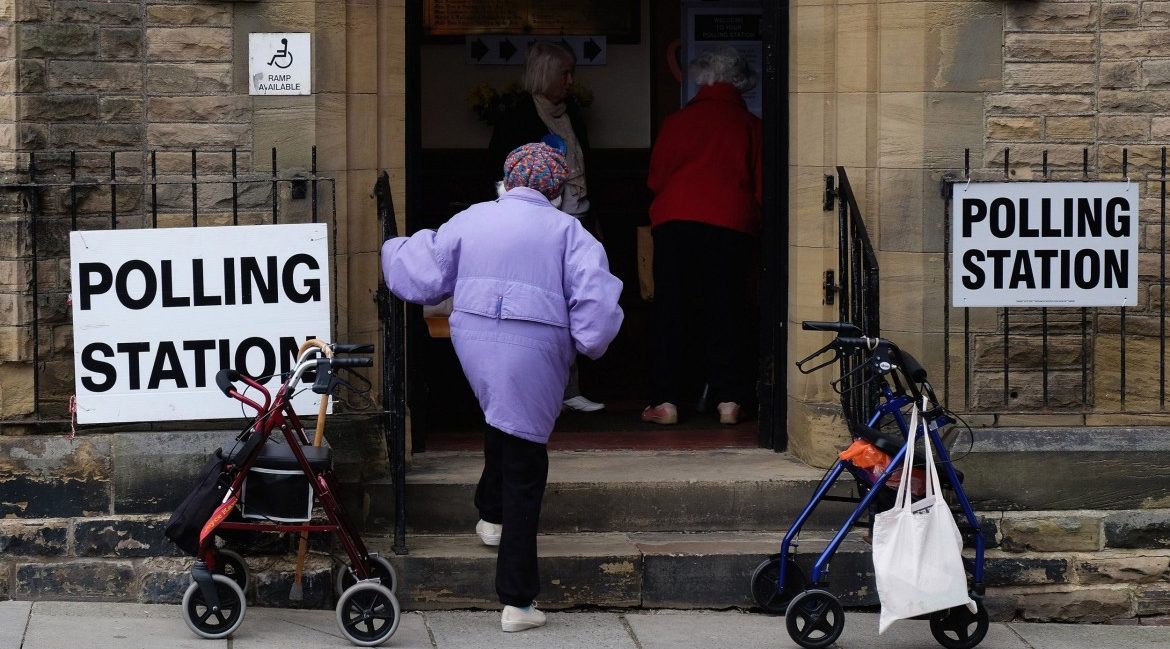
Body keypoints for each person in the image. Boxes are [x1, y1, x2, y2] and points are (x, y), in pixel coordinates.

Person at [381, 143, 624, 632]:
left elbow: (426, 273)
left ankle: (490, 515)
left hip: (474, 340)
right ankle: (518, 600)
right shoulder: (569, 232)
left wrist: (391, 246)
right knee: (526, 464)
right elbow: (595, 312)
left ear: (508, 180)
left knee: (502, 419)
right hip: (536, 346)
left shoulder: (473, 218)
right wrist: (585, 343)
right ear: (555, 190)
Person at [642, 46, 763, 427]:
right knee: (727, 309)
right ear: (740, 82)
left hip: (675, 223)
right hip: (730, 224)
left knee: (672, 311)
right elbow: (761, 189)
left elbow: (655, 180)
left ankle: (666, 401)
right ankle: (729, 400)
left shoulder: (676, 123)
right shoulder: (751, 126)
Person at [488, 40, 604, 414]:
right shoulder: (517, 117)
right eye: (564, 73)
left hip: (580, 221)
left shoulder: (572, 115)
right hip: (539, 228)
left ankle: (571, 389)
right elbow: (499, 175)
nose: (570, 81)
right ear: (543, 74)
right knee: (541, 308)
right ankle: (545, 391)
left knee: (580, 304)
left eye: (572, 73)